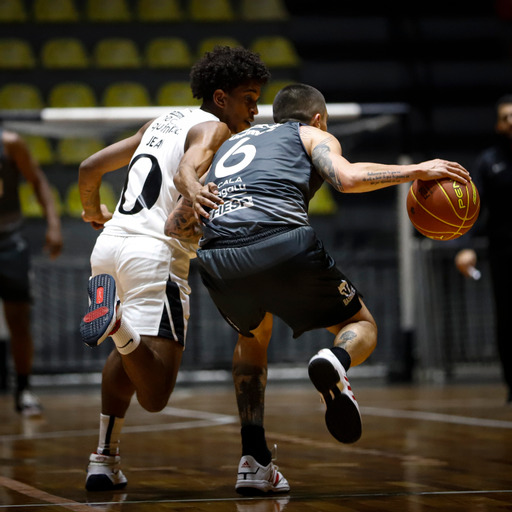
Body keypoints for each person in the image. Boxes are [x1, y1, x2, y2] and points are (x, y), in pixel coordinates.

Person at [173, 83, 471, 494]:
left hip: (217, 255)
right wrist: (417, 170)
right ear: (318, 118)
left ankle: (253, 460)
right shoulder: (310, 134)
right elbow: (346, 179)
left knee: (252, 337)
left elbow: (177, 224)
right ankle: (335, 360)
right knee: (360, 322)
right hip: (280, 240)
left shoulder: (230, 143)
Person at [77, 46, 270, 492]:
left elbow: (89, 167)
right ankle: (120, 325)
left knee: (124, 361)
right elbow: (189, 167)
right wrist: (192, 187)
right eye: (249, 97)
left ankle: (103, 459)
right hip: (156, 255)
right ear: (221, 97)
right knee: (157, 392)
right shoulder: (215, 128)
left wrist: (92, 212)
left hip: (109, 246)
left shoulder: (159, 122)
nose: (255, 110)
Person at [0, 129, 63, 416]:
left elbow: (38, 181)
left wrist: (53, 225)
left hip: (9, 239)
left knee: (19, 319)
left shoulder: (10, 144)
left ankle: (23, 389)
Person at [455, 94, 512, 404]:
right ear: (498, 124)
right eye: (506, 117)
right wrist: (466, 246)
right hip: (504, 251)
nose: (511, 121)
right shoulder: (490, 162)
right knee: (506, 319)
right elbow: (473, 208)